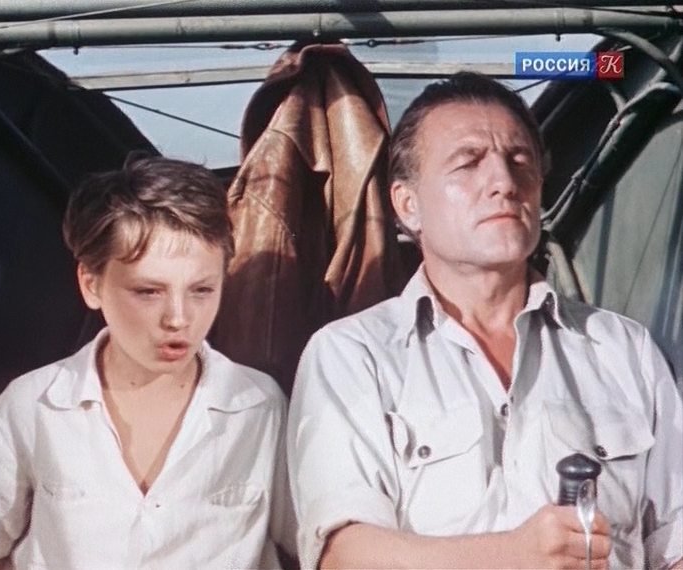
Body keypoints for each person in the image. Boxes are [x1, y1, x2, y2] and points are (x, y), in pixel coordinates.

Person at [287, 72, 683, 569]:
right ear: (408, 204)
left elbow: (675, 540)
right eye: (468, 163)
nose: (504, 183)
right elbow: (343, 554)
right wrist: (512, 555)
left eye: (520, 161)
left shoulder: (624, 349)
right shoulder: (354, 355)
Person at [0, 155, 294, 569]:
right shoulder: (29, 406)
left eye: (201, 290)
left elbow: (313, 543)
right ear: (91, 284)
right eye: (148, 292)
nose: (178, 318)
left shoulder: (260, 406)